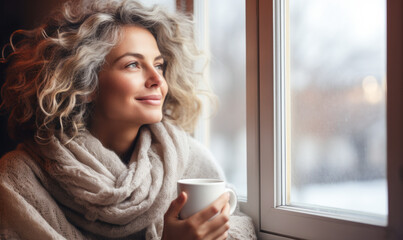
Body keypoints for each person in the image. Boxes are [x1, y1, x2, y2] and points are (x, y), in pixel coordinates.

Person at [0, 0, 256, 239]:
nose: (157, 79)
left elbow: (238, 224)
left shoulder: (185, 158)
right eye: (133, 65)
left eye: (158, 65)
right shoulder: (18, 178)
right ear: (84, 83)